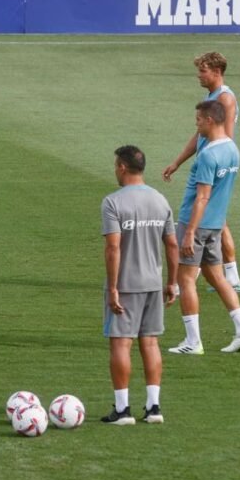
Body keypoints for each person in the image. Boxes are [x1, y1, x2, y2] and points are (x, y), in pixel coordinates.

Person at [167, 100, 240, 355]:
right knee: (217, 277)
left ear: (210, 120)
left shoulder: (208, 155)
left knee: (185, 279)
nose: (196, 124)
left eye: (198, 120)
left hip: (196, 223)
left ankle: (193, 342)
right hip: (216, 224)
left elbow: (202, 196)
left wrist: (190, 232)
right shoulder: (232, 149)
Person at [101, 146, 179, 426]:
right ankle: (153, 407)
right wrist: (171, 282)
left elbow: (113, 248)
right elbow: (172, 245)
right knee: (151, 342)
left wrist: (113, 288)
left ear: (122, 167)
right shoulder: (160, 200)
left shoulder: (113, 202)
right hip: (153, 284)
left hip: (126, 285)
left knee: (121, 344)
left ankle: (123, 410)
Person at [162, 52, 240, 292]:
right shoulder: (211, 97)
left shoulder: (225, 98)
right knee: (216, 219)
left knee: (212, 219)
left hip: (215, 165)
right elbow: (199, 135)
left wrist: (220, 166)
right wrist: (178, 162)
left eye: (203, 70)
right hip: (207, 163)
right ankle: (227, 275)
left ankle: (220, 275)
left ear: (217, 72)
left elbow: (227, 137)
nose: (199, 75)